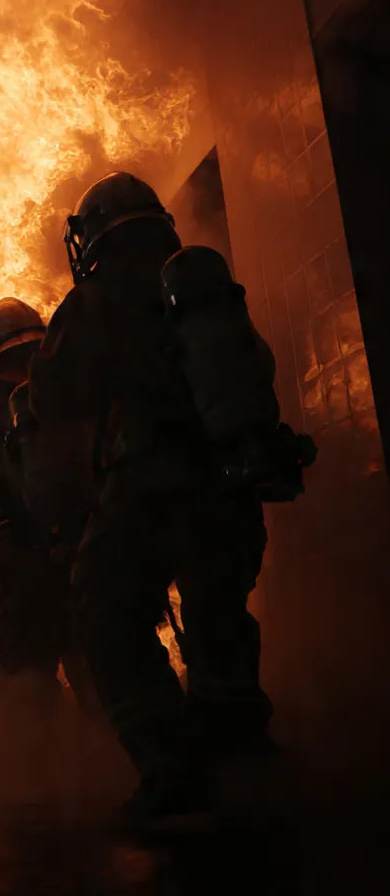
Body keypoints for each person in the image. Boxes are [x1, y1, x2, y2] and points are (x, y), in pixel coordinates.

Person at [27, 172, 296, 825]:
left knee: (105, 607)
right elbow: (258, 366)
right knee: (216, 609)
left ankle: (173, 773)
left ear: (89, 236)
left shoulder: (94, 299)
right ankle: (243, 752)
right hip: (230, 486)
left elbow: (50, 397)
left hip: (149, 484)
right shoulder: (200, 288)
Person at [0, 299, 92, 718]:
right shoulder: (71, 391)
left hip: (23, 561)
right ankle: (116, 768)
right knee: (100, 671)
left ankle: (28, 776)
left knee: (28, 681)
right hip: (88, 550)